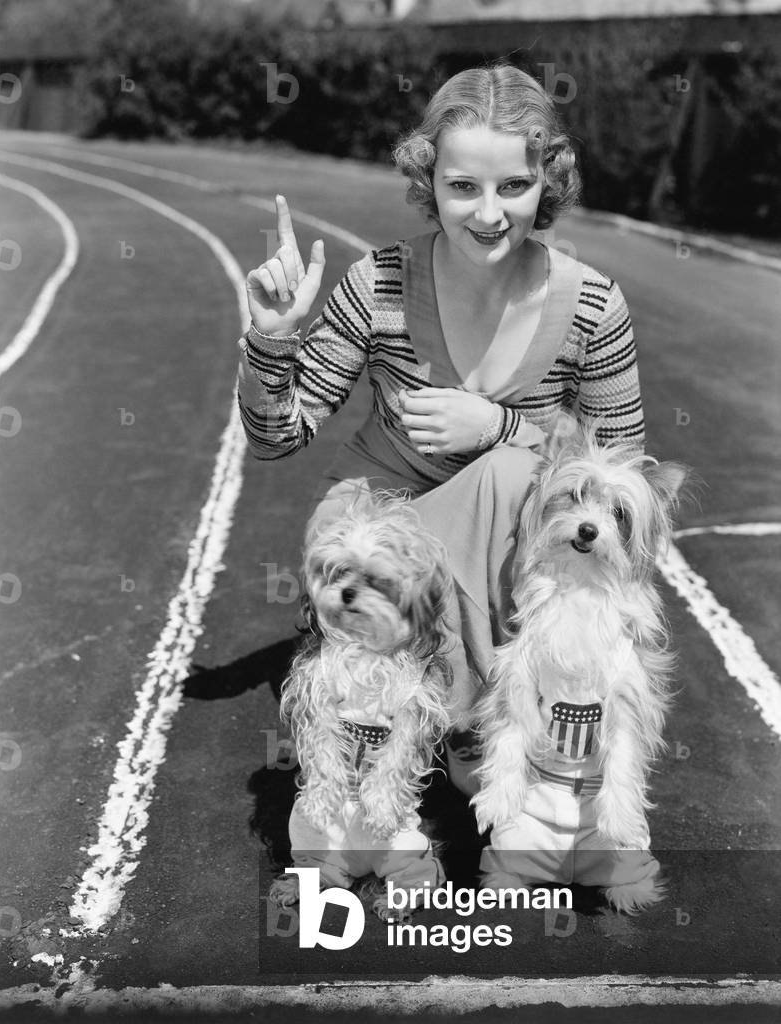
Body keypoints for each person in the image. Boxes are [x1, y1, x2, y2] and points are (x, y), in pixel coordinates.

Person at [237, 65, 645, 796]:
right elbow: (277, 437)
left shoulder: (593, 308)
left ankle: (468, 716)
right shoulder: (379, 284)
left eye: (513, 187)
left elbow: (618, 472)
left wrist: (501, 424)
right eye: (463, 187)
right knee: (375, 520)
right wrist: (273, 341)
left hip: (506, 526)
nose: (489, 215)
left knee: (509, 475)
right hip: (386, 516)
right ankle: (391, 715)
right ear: (429, 180)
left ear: (548, 183)